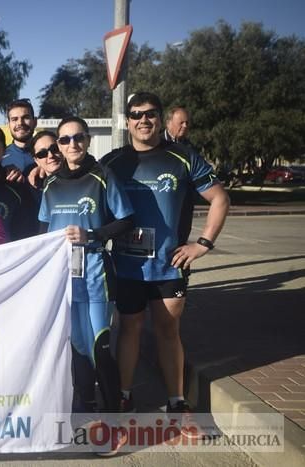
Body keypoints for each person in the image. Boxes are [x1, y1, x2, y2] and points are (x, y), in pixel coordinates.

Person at [101, 92, 230, 438]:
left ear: (160, 119)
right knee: (127, 330)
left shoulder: (183, 157)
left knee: (168, 331)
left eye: (151, 114)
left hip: (168, 266)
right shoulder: (113, 162)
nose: (144, 120)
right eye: (136, 114)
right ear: (126, 121)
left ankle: (177, 404)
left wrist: (202, 244)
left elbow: (219, 197)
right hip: (126, 267)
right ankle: (123, 399)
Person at [39, 116, 134, 457]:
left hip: (95, 277)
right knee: (77, 346)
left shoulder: (103, 177)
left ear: (88, 139)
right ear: (58, 146)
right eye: (64, 140)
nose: (72, 145)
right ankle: (86, 411)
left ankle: (113, 423)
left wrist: (92, 235)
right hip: (63, 282)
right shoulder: (50, 185)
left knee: (98, 346)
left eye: (78, 137)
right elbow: (41, 234)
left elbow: (126, 220)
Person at [3, 98, 37, 172]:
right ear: (8, 124)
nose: (20, 123)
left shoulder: (49, 155)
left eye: (25, 118)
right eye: (14, 119)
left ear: (35, 122)